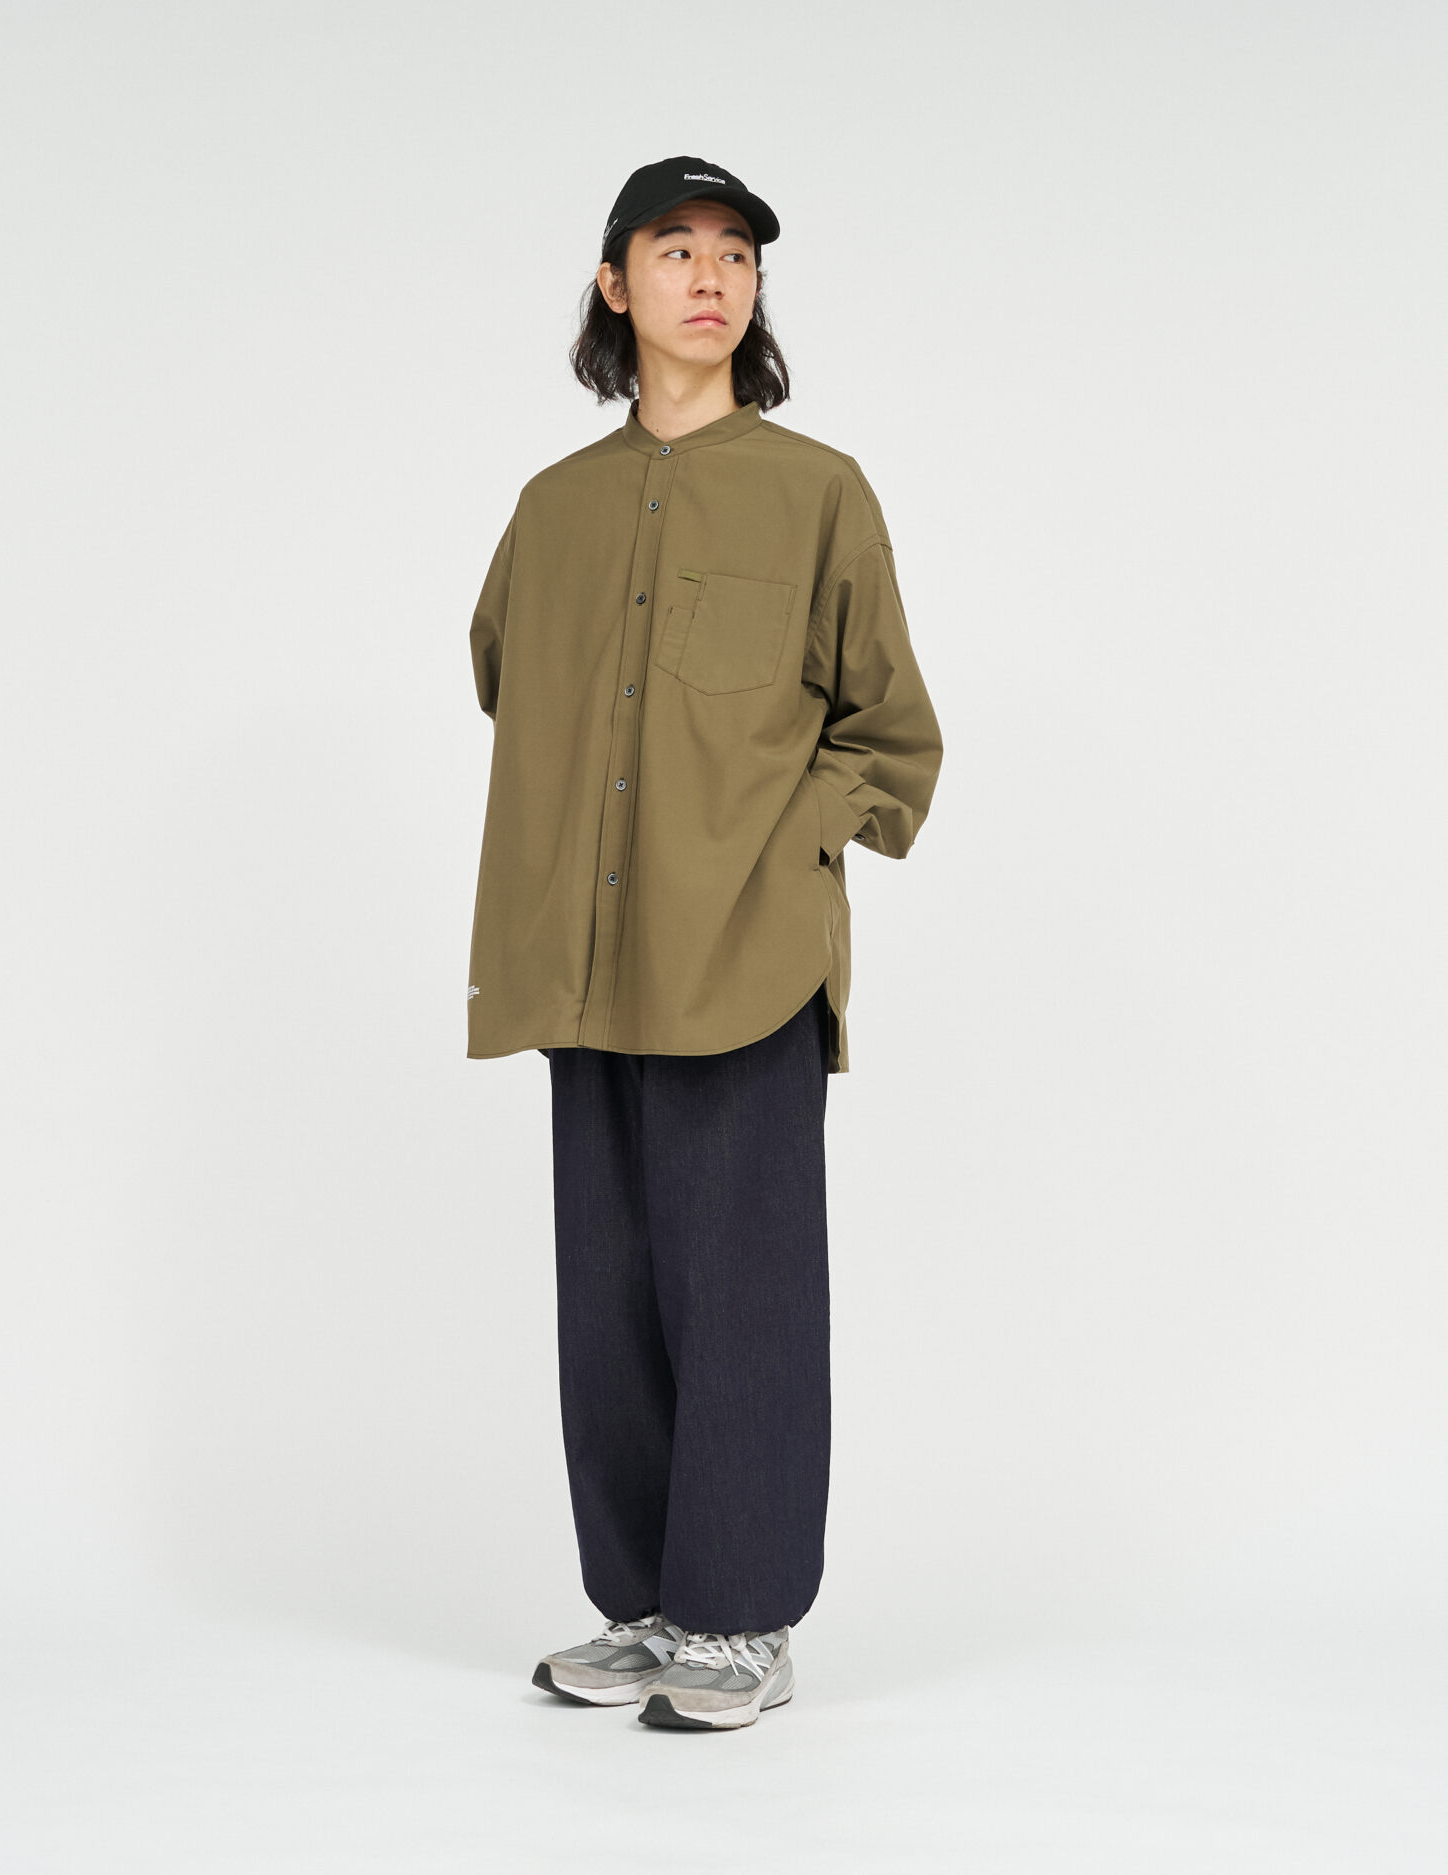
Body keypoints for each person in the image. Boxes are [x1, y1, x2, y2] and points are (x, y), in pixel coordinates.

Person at [465, 156, 942, 1729]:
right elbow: (506, 671)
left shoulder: (818, 493)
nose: (711, 277)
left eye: (736, 253)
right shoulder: (555, 509)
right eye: (675, 250)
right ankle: (648, 1601)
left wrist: (791, 843)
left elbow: (889, 733)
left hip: (744, 951)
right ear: (616, 286)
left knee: (743, 1298)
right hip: (586, 954)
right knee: (606, 1295)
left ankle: (741, 1619)